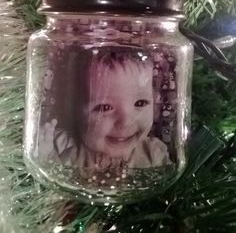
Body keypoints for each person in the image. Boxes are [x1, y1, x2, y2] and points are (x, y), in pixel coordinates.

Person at [37, 47, 171, 174]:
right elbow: (50, 181)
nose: (126, 122)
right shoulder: (61, 146)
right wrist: (47, 156)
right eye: (104, 108)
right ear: (73, 111)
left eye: (140, 103)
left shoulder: (153, 154)